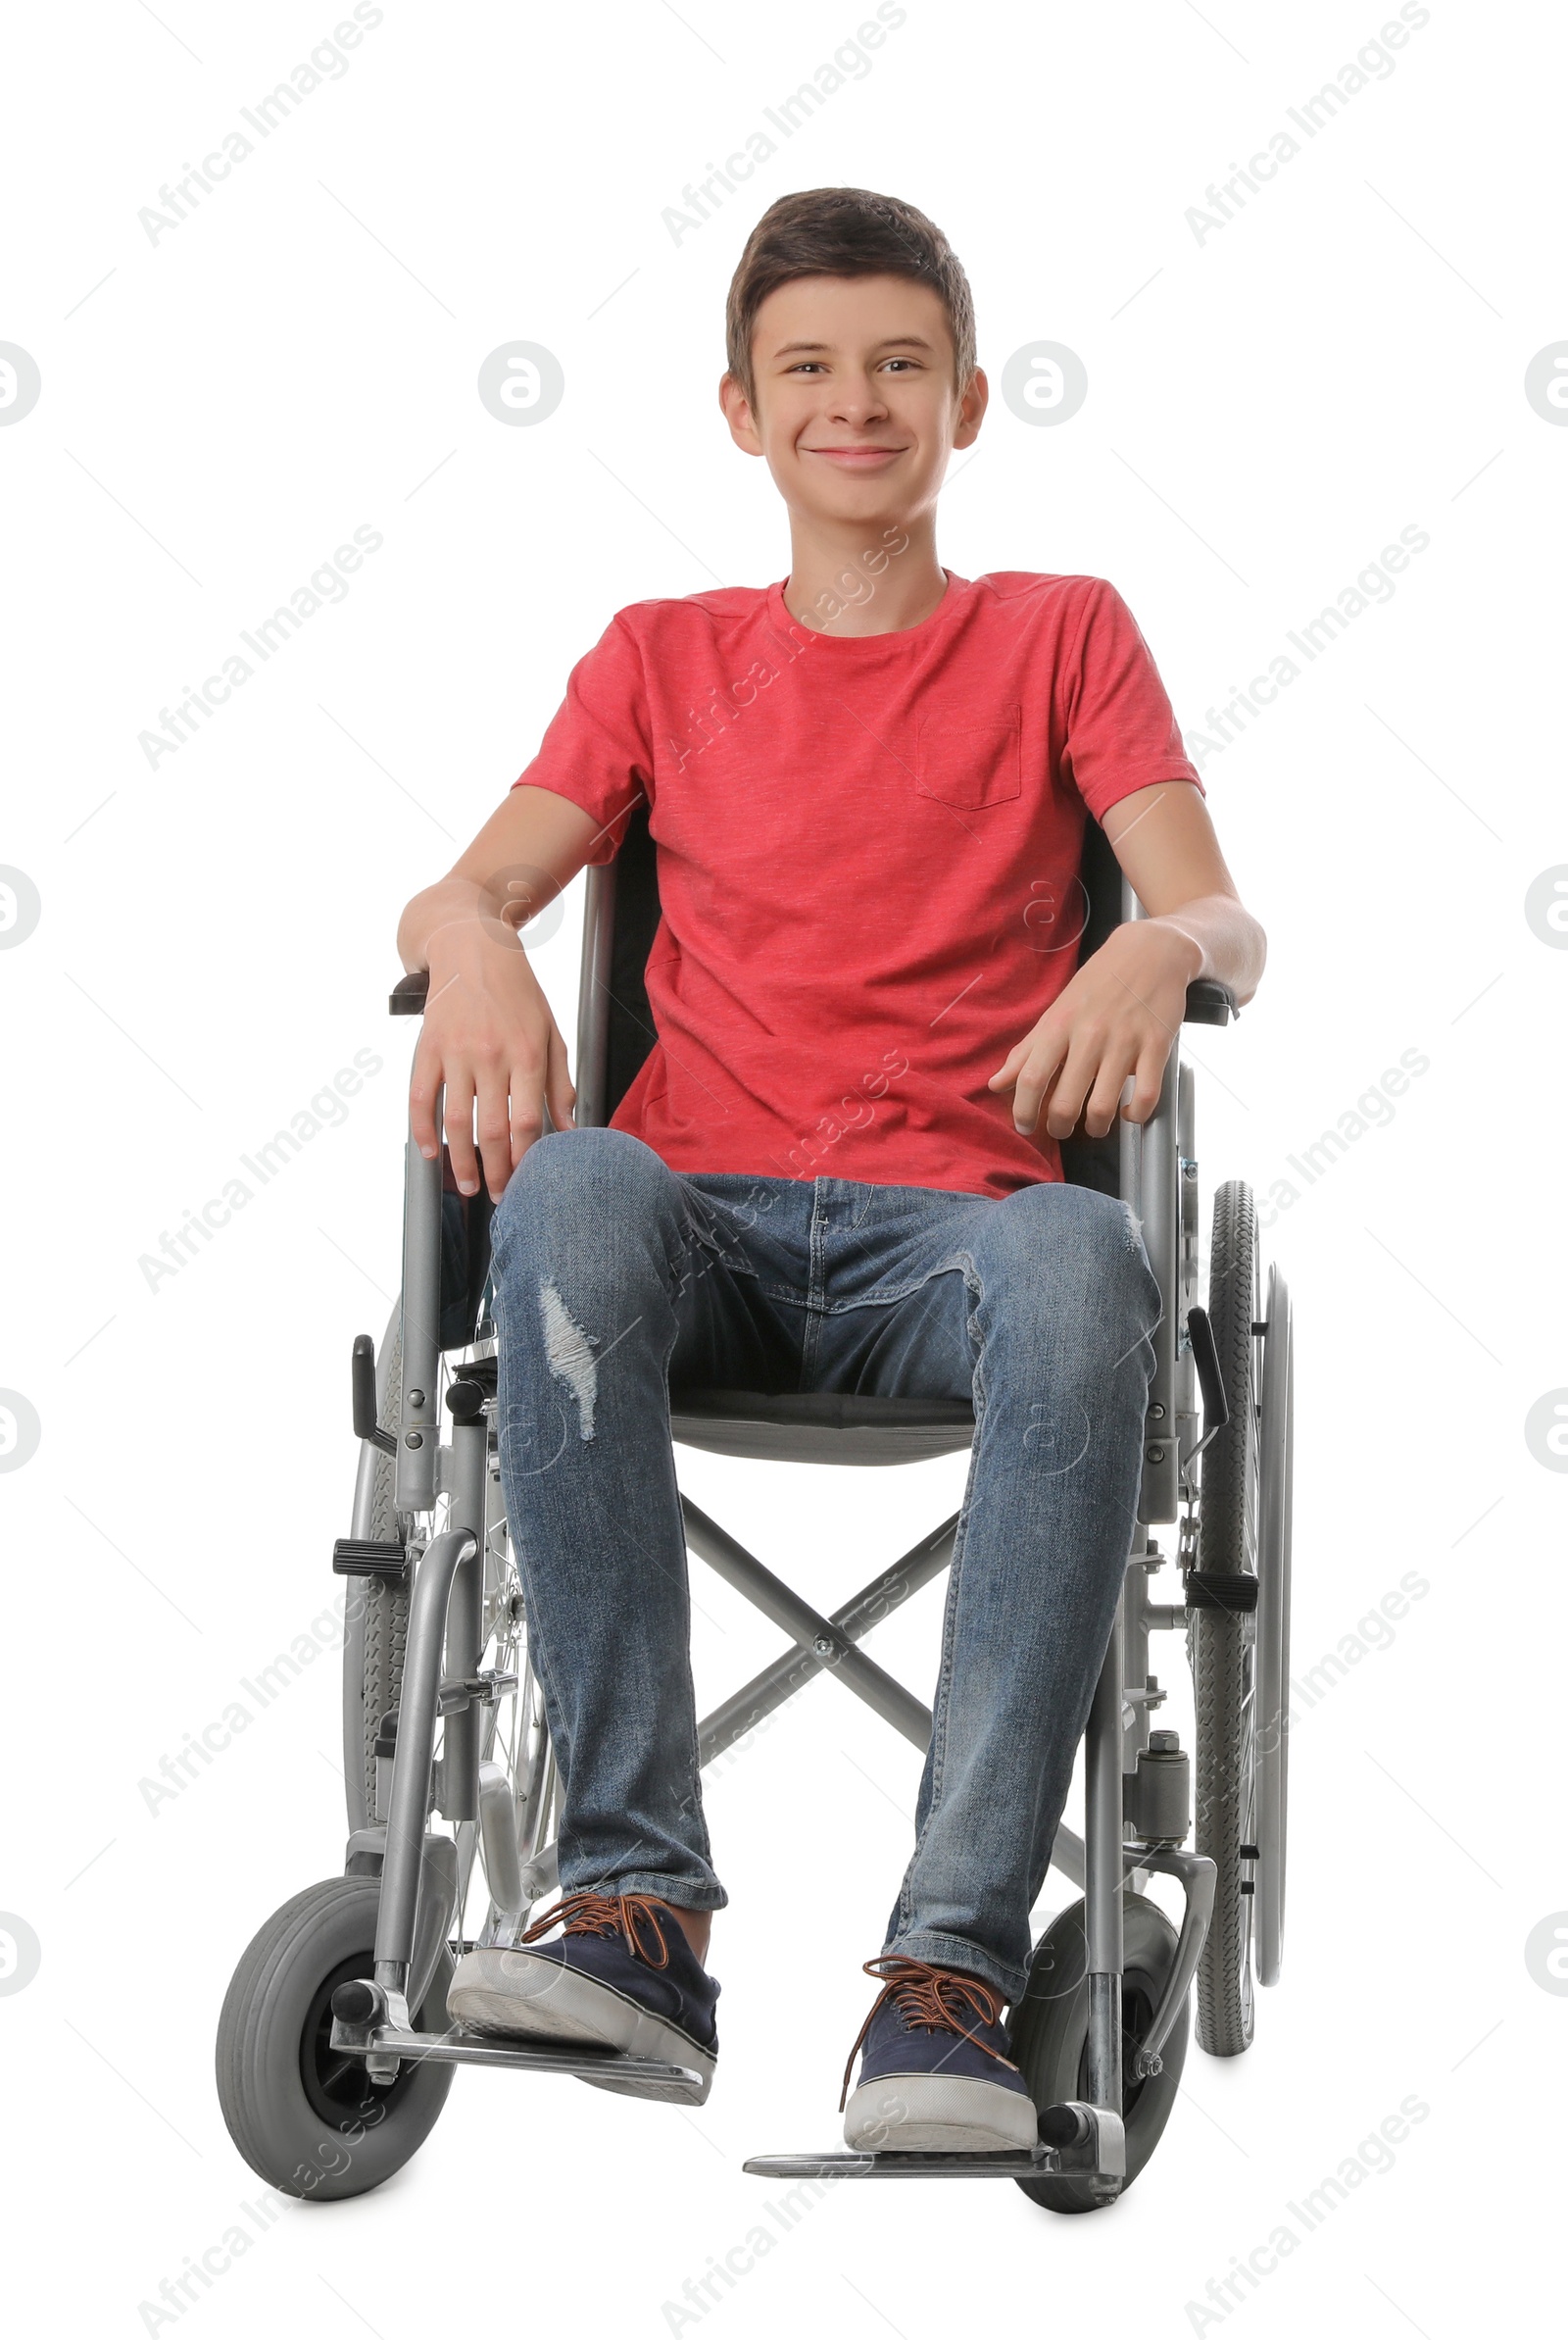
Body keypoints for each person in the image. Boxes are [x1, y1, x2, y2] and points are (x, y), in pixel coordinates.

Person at [395, 187, 1265, 2154]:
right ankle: (633, 1913)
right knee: (568, 1185)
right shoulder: (659, 654)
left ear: (966, 400)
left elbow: (1221, 916)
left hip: (953, 1255)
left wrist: (1155, 944)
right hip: (686, 1238)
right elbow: (466, 884)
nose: (852, 403)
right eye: (807, 368)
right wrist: (468, 944)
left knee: (1082, 1252)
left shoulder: (1060, 633)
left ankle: (950, 1977)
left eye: (896, 365)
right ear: (741, 410)